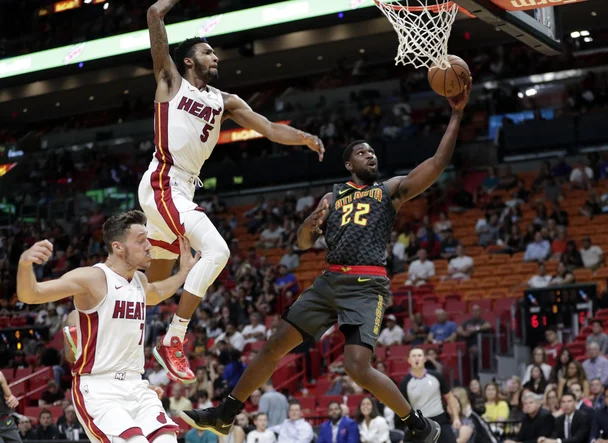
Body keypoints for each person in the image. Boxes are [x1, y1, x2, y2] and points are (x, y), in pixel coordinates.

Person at [182, 80, 471, 440]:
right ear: (349, 163)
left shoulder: (389, 191)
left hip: (367, 285)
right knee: (274, 345)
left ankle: (417, 424)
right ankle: (226, 412)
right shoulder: (331, 198)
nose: (371, 156)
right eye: (363, 153)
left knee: (356, 367)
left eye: (373, 153)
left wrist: (456, 115)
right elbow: (303, 243)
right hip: (330, 281)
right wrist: (308, 225)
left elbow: (436, 163)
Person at [143, 0, 325, 384]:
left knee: (152, 292)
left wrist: (305, 137)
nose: (215, 57)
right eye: (207, 52)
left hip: (182, 190)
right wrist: (162, 9)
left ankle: (87, 314)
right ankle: (173, 340)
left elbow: (271, 128)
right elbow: (154, 16)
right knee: (219, 250)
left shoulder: (225, 101)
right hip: (164, 180)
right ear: (188, 61)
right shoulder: (170, 81)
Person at [16, 210, 201, 443]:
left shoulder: (140, 281)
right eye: (141, 241)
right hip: (99, 389)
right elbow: (31, 294)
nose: (148, 246)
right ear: (118, 247)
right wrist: (24, 263)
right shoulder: (92, 279)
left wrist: (184, 272)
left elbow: (157, 293)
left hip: (136, 385)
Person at [400, 348, 460, 443]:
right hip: (419, 424)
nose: (417, 358)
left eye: (419, 355)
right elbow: (403, 407)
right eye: (414, 356)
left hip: (440, 420)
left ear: (424, 359)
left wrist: (456, 418)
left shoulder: (436, 376)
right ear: (409, 360)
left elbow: (449, 397)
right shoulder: (405, 382)